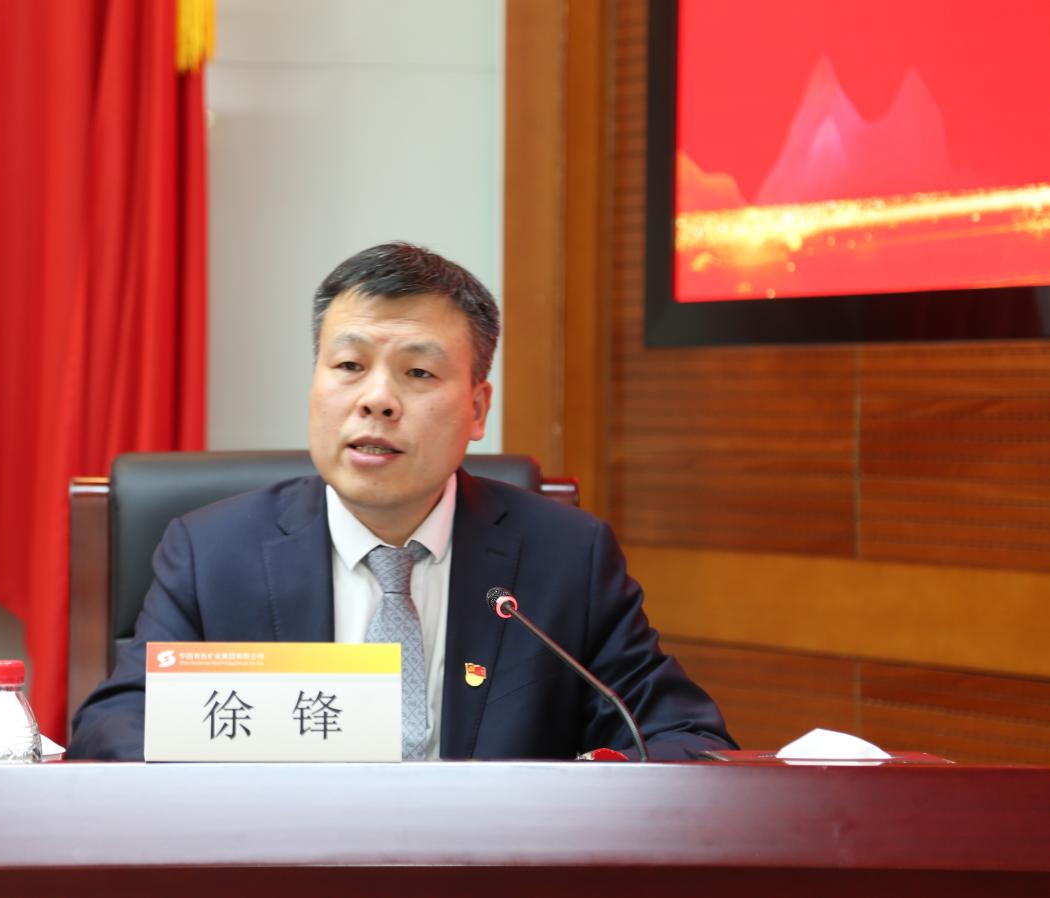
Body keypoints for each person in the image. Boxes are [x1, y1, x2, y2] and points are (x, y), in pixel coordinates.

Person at [69, 242, 735, 761]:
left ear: (477, 408)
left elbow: (681, 737)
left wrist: (574, 800)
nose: (377, 399)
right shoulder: (214, 552)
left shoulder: (566, 558)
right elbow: (115, 727)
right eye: (349, 366)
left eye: (418, 372)